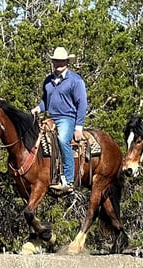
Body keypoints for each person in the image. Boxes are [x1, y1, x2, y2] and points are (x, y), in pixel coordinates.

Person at [31, 47, 88, 193]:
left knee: (63, 140)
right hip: (50, 118)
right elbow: (46, 100)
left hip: (67, 118)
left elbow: (82, 104)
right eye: (56, 61)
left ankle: (68, 180)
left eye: (62, 61)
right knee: (34, 140)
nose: (59, 63)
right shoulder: (48, 81)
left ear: (67, 62)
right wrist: (38, 108)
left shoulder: (75, 80)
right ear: (53, 62)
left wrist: (78, 126)